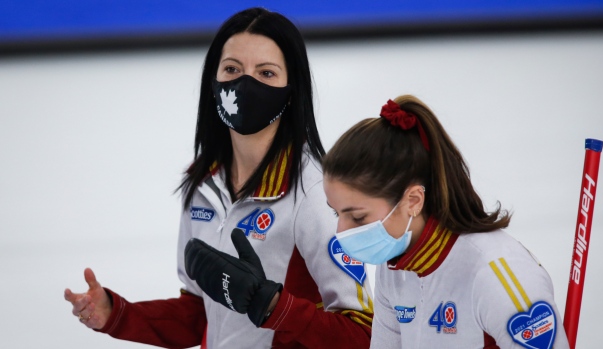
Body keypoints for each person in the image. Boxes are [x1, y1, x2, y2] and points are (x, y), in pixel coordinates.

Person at [64, 7, 373, 349]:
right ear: (213, 82)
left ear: (291, 89)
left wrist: (272, 306)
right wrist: (117, 314)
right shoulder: (202, 183)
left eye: (266, 73)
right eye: (232, 69)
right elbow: (200, 312)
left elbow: (361, 334)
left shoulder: (314, 191)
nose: (245, 84)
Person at [322, 95, 569, 349]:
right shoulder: (395, 268)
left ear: (414, 200)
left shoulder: (494, 271)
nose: (341, 231)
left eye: (358, 217)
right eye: (336, 213)